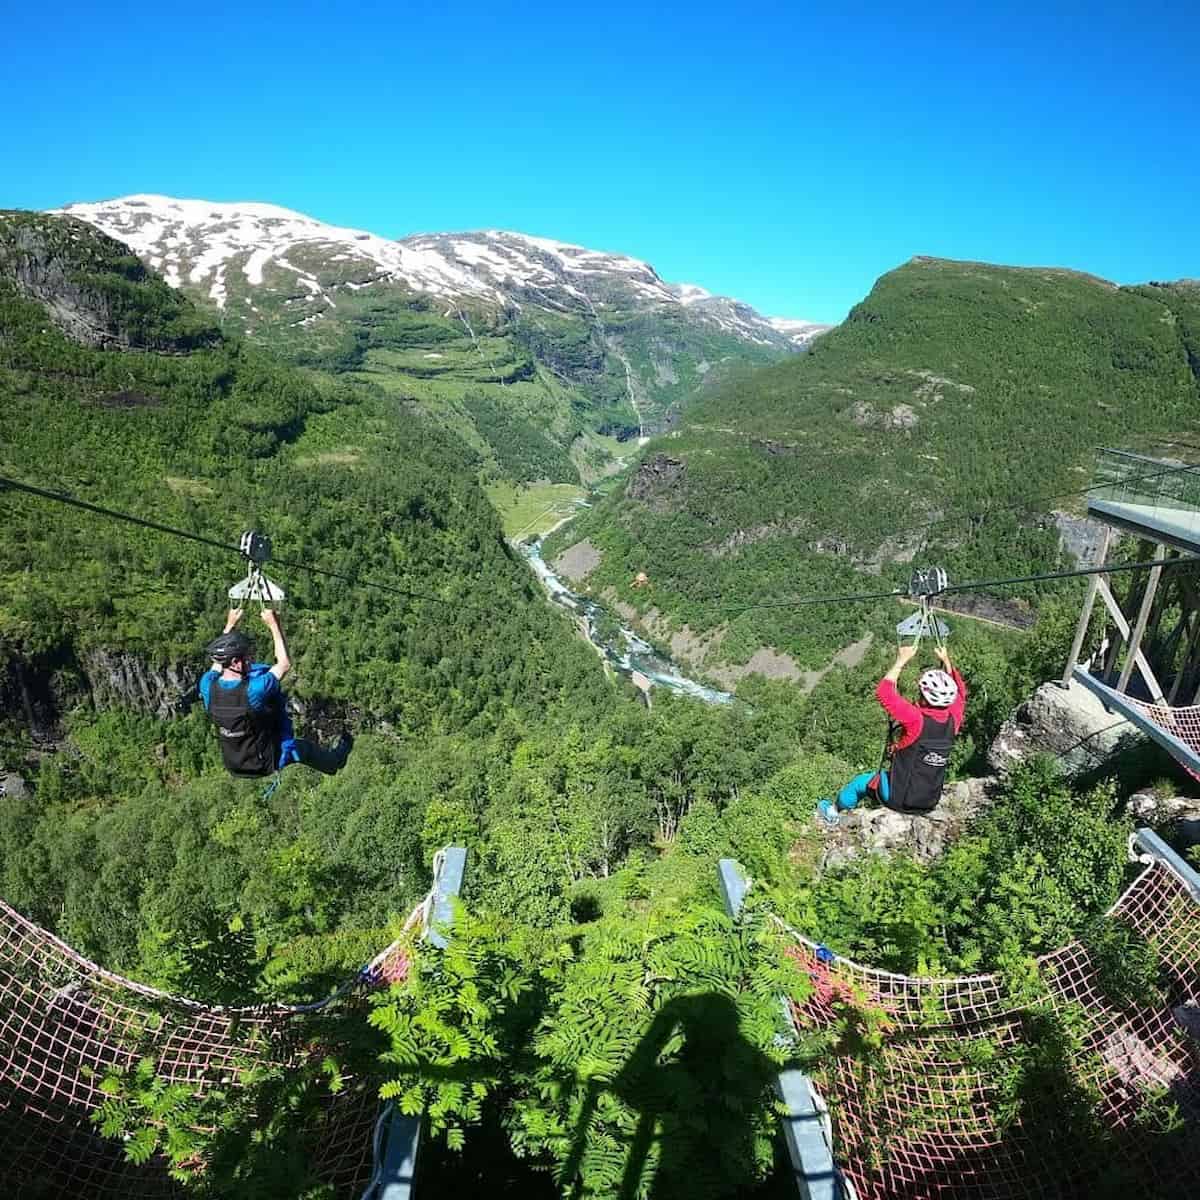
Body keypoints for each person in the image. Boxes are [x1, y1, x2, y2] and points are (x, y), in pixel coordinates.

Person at [819, 643, 966, 823]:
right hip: (928, 800)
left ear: (924, 697)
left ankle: (833, 812)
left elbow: (884, 692)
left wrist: (901, 660)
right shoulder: (954, 720)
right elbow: (961, 694)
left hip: (899, 799)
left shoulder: (916, 719)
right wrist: (947, 662)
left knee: (861, 782)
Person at [200, 607, 352, 779]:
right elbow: (284, 664)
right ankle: (335, 762)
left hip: (235, 764)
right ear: (235, 662)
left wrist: (230, 625)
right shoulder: (254, 690)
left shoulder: (207, 686)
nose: (250, 658)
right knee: (303, 749)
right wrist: (274, 624)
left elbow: (217, 663)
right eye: (247, 656)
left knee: (258, 677)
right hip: (265, 762)